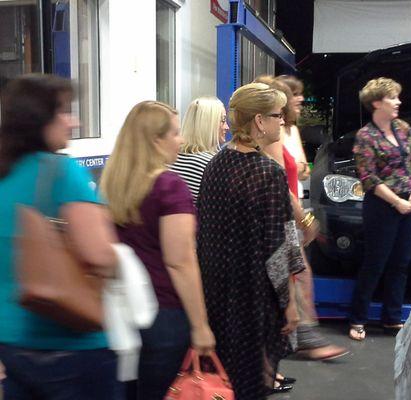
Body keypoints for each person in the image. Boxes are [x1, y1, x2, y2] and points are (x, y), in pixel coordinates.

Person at [0, 74, 122, 399]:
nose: (74, 122)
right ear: (39, 119)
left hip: (12, 342)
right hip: (71, 342)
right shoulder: (62, 173)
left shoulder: (4, 173)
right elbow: (99, 255)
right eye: (64, 111)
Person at [100, 101, 215, 400]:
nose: (181, 140)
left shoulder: (112, 185)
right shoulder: (169, 187)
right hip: (163, 315)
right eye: (175, 134)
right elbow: (180, 262)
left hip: (119, 313)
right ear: (156, 139)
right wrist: (201, 325)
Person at [196, 83, 304, 400]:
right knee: (251, 385)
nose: (282, 121)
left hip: (215, 297)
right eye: (276, 115)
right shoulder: (265, 172)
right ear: (259, 121)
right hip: (253, 302)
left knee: (221, 384)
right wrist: (290, 305)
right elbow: (279, 247)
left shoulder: (214, 166)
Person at [257, 75, 349, 361]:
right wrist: (304, 221)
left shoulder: (283, 132)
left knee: (297, 276)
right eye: (292, 96)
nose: (299, 100)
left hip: (285, 216)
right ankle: (299, 338)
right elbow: (280, 184)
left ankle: (295, 337)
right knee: (296, 276)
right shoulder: (271, 137)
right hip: (281, 217)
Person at [349, 77, 411, 341]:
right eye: (392, 98)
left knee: (401, 263)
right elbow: (369, 178)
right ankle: (358, 318)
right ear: (376, 103)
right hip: (382, 206)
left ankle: (392, 318)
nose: (398, 101)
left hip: (409, 203)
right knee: (375, 263)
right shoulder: (365, 136)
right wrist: (397, 202)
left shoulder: (403, 128)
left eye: (397, 96)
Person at [168, 96, 229, 202]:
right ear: (208, 124)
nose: (227, 127)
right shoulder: (214, 164)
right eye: (223, 120)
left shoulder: (170, 159)